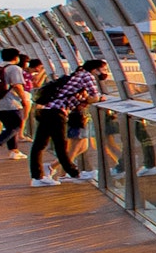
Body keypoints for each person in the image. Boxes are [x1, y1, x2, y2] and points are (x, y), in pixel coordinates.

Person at [29, 59, 107, 187]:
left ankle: (37, 177)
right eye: (103, 69)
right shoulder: (87, 76)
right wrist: (100, 98)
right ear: (95, 70)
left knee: (39, 144)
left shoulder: (77, 74)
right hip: (56, 113)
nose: (104, 72)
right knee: (60, 145)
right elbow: (94, 97)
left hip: (46, 110)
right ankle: (74, 173)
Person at [0, 48, 31, 161]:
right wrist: (24, 99)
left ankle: (13, 151)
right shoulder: (14, 68)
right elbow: (17, 85)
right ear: (15, 57)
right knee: (16, 126)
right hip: (10, 102)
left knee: (10, 127)